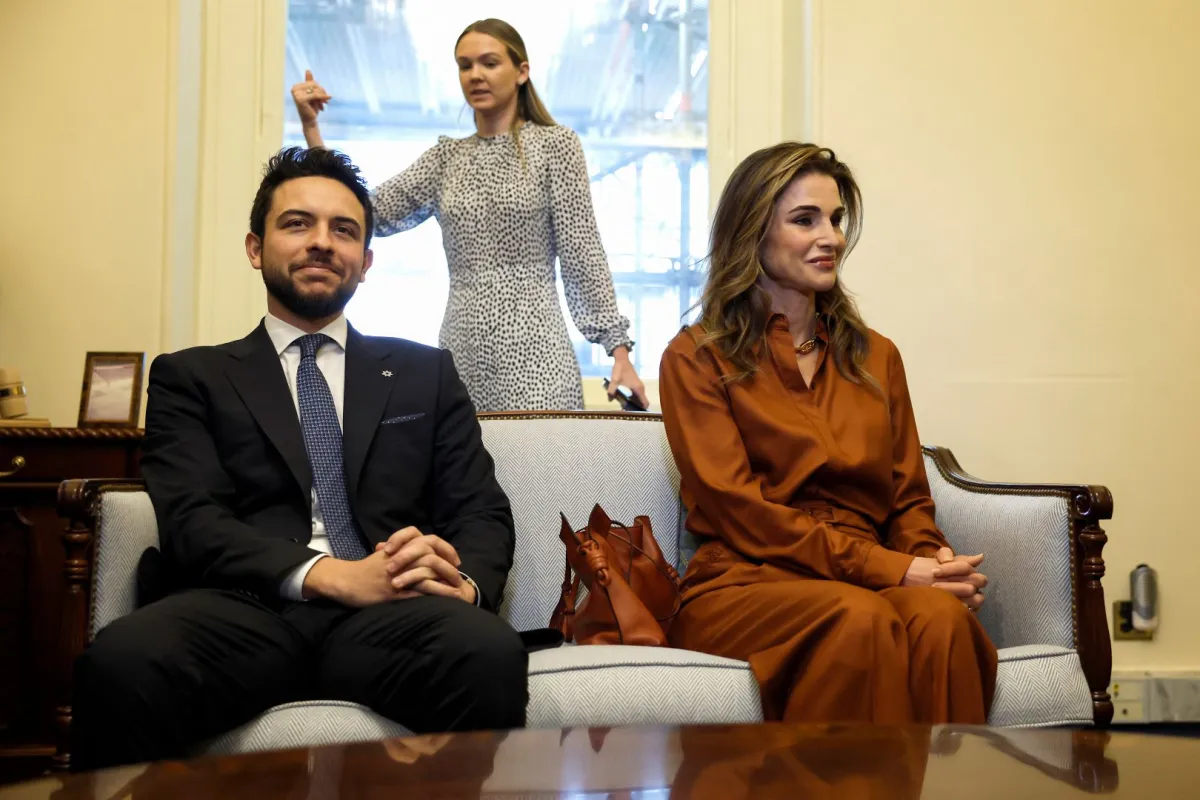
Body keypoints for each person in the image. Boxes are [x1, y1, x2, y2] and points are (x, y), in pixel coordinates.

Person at [70, 147, 528, 770]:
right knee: (123, 662)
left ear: (365, 263)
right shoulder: (192, 377)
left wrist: (462, 582)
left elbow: (479, 511)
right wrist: (332, 575)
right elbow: (193, 522)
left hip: (390, 615)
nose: (321, 242)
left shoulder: (426, 373)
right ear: (256, 248)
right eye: (297, 224)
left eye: (343, 230)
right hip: (241, 608)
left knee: (487, 651)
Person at [659, 142, 997, 724]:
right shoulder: (696, 357)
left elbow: (908, 498)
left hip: (864, 577)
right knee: (859, 617)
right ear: (751, 232)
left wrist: (929, 562)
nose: (832, 237)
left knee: (943, 622)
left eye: (836, 219)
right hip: (746, 579)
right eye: (805, 220)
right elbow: (741, 511)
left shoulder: (877, 356)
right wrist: (891, 569)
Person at [291, 18, 649, 413]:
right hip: (461, 349)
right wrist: (312, 129)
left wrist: (618, 350)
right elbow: (363, 214)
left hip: (538, 351)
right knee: (459, 471)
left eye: (489, 63)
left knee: (539, 471)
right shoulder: (447, 159)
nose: (475, 75)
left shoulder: (555, 146)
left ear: (522, 72)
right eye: (465, 65)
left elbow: (582, 249)